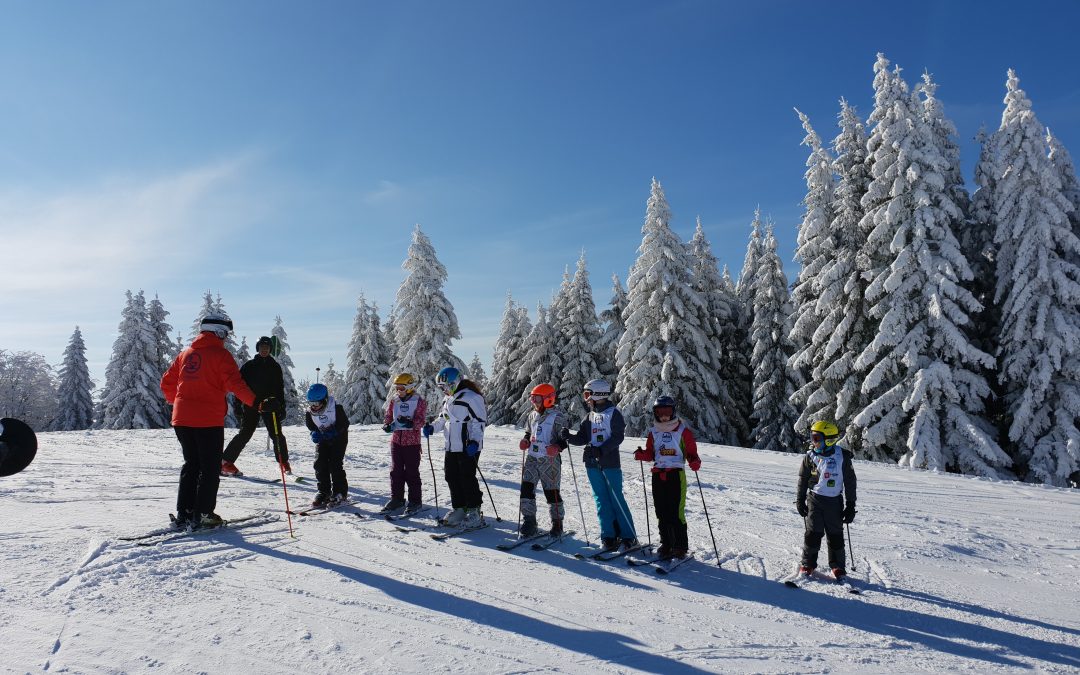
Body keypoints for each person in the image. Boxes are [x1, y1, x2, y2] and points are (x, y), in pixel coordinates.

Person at [160, 313, 256, 529]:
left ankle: (185, 512)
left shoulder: (186, 354)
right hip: (207, 421)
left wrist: (178, 403)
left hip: (182, 420)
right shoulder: (221, 356)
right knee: (210, 468)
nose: (226, 338)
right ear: (218, 331)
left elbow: (166, 383)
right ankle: (203, 514)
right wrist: (258, 403)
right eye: (225, 333)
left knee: (191, 465)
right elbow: (236, 385)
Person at [560, 378, 638, 552]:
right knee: (601, 501)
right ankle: (609, 536)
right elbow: (583, 438)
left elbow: (618, 437)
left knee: (616, 500)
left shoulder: (613, 413)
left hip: (609, 463)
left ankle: (628, 537)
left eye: (588, 394)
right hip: (591, 464)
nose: (586, 399)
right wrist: (569, 437)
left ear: (598, 394)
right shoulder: (589, 416)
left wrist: (601, 450)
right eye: (585, 395)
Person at [633, 396, 701, 560]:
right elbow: (651, 453)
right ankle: (666, 543)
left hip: (675, 474)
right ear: (655, 413)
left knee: (675, 511)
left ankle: (680, 546)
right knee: (661, 511)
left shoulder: (682, 431)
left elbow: (692, 453)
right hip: (658, 474)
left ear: (673, 412)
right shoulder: (654, 432)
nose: (664, 416)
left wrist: (694, 461)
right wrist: (642, 455)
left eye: (667, 412)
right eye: (660, 412)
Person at [422, 367, 487, 527]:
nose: (443, 390)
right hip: (451, 446)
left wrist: (474, 442)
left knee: (467, 477)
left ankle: (474, 510)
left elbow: (479, 422)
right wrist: (433, 428)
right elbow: (443, 419)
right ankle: (460, 507)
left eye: (445, 386)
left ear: (454, 382)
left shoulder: (472, 397)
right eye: (441, 387)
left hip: (467, 446)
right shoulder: (448, 399)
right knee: (451, 476)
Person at [795, 420, 858, 579]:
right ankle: (808, 564)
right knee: (813, 533)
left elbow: (850, 482)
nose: (812, 442)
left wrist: (850, 505)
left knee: (835, 534)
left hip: (834, 502)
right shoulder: (810, 457)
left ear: (829, 439)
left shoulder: (842, 457)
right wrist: (800, 499)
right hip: (815, 500)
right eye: (812, 437)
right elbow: (803, 479)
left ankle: (838, 567)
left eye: (816, 438)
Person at [221, 335, 291, 476]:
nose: (264, 350)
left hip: (270, 406)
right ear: (258, 348)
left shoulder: (275, 367)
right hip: (251, 404)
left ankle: (283, 462)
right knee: (245, 433)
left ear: (270, 349)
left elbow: (279, 388)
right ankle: (225, 462)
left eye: (267, 347)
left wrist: (281, 407)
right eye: (261, 347)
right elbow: (239, 386)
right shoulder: (249, 366)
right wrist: (237, 405)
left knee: (277, 435)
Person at [516, 383, 570, 537]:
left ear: (548, 399)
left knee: (551, 493)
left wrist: (557, 447)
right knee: (526, 490)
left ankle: (557, 523)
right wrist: (525, 440)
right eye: (532, 398)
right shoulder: (532, 415)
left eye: (537, 398)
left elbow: (564, 440)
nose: (534, 402)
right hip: (532, 459)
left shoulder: (557, 417)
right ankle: (529, 521)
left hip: (549, 461)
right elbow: (529, 432)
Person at [381, 373, 428, 514]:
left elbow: (421, 421)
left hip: (412, 443)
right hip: (396, 441)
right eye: (397, 388)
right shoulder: (394, 400)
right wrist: (387, 425)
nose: (398, 391)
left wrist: (410, 423)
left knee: (411, 472)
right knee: (396, 472)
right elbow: (388, 416)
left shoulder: (419, 401)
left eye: (401, 388)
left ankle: (415, 501)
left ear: (409, 387)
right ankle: (397, 499)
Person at [304, 383, 351, 507]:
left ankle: (340, 492)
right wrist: (315, 434)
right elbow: (311, 426)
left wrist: (334, 432)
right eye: (311, 403)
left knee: (335, 464)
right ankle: (323, 491)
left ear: (324, 400)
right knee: (320, 463)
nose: (313, 407)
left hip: (339, 439)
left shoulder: (336, 408)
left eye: (316, 404)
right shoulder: (310, 413)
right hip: (323, 439)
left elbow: (344, 424)